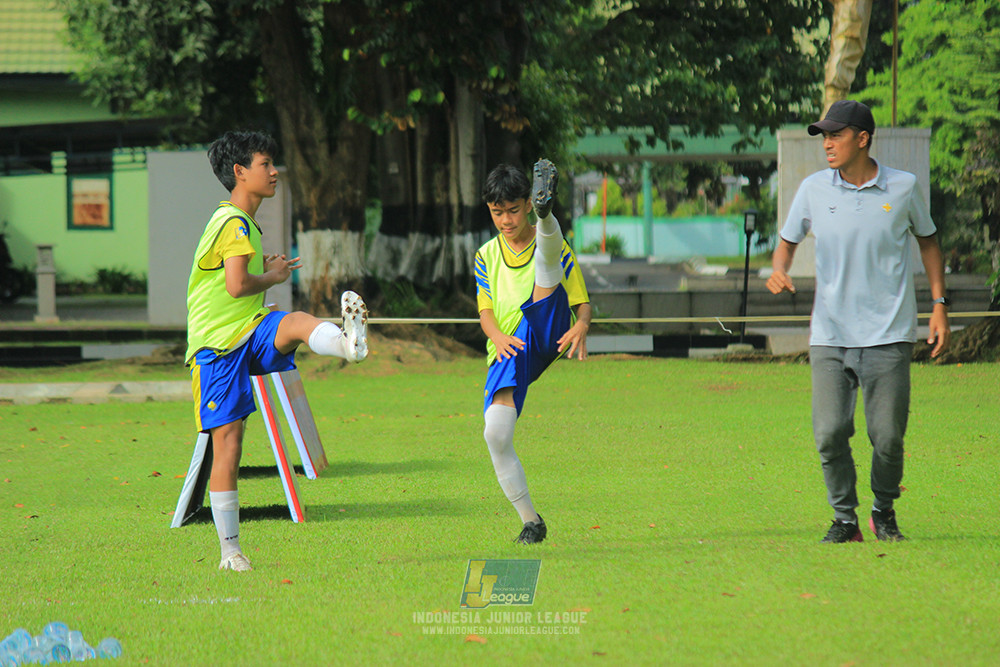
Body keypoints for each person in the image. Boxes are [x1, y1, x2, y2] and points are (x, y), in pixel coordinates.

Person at [765, 100, 950, 543]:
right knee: (829, 433)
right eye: (823, 136)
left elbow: (928, 242)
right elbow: (787, 242)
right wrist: (779, 269)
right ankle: (845, 519)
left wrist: (939, 304)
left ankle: (882, 510)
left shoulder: (903, 188)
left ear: (862, 138)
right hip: (829, 335)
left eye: (835, 135)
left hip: (888, 335)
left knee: (887, 437)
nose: (827, 144)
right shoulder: (813, 189)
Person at [185, 130, 369, 571]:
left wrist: (264, 273)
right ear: (239, 172)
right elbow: (235, 286)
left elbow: (237, 282)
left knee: (295, 322)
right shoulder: (232, 222)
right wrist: (271, 278)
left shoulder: (241, 222)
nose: (274, 172)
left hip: (247, 327)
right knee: (228, 444)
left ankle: (348, 345)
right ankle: (230, 552)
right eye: (266, 164)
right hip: (218, 347)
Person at [474, 159, 592, 544]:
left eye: (512, 210)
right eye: (497, 213)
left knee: (546, 265)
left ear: (527, 204)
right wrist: (498, 339)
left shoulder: (559, 250)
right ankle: (532, 522)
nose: (506, 220)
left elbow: (580, 300)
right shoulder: (485, 256)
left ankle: (548, 219)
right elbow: (485, 312)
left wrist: (581, 324)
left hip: (547, 327)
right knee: (495, 434)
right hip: (509, 348)